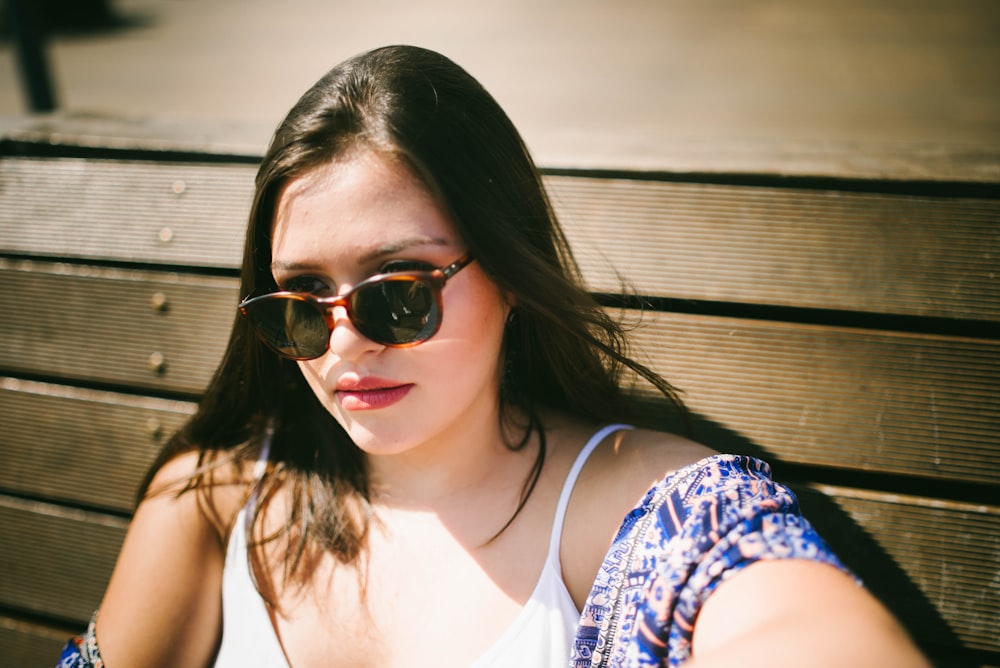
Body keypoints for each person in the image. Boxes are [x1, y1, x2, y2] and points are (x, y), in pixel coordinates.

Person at [59, 45, 928, 668]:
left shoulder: (638, 511)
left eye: (399, 292)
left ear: (509, 276)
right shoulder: (213, 505)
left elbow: (778, 620)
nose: (346, 343)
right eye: (299, 307)